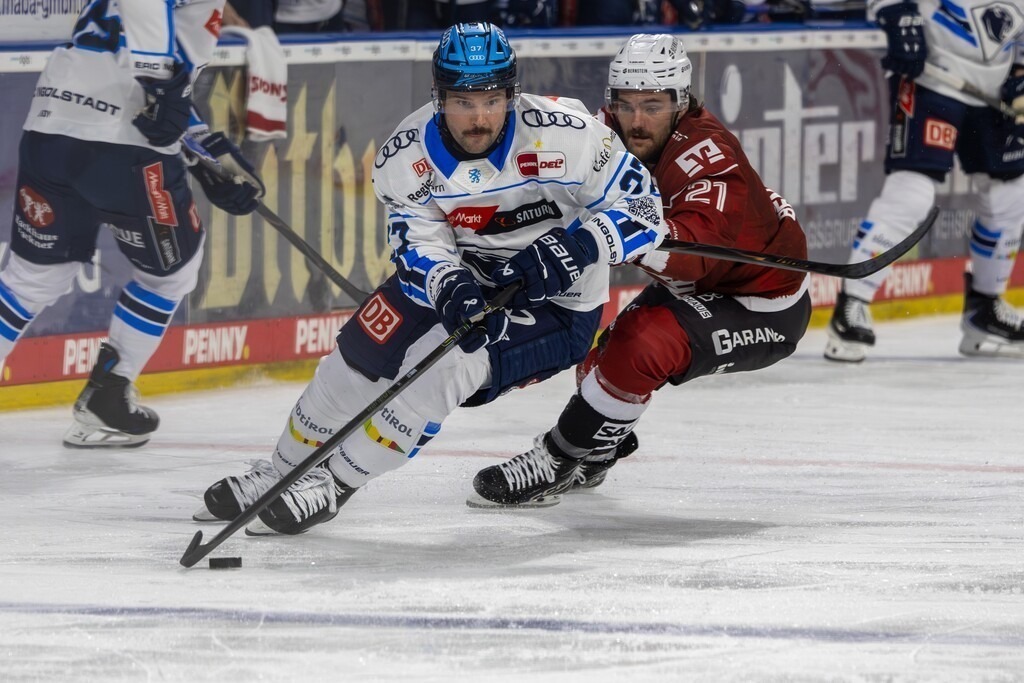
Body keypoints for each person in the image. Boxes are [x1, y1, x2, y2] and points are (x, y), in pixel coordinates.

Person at [192, 22, 665, 534]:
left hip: (558, 306)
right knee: (354, 357)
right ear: (439, 96)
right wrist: (447, 283)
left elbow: (644, 208)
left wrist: (578, 247)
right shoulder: (405, 155)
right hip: (466, 279)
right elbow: (418, 242)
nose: (479, 116)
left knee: (446, 365)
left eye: (491, 99)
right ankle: (281, 473)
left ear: (513, 93)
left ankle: (334, 485)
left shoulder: (567, 133)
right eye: (463, 101)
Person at [468, 33, 811, 507]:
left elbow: (695, 253)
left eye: (652, 105)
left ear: (681, 102)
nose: (636, 121)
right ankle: (599, 446)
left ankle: (555, 459)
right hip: (697, 286)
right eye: (625, 105)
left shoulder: (710, 159)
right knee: (596, 369)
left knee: (640, 346)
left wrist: (603, 238)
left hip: (762, 303)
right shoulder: (605, 131)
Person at [0, 0, 264, 448]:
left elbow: (150, 94)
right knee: (171, 275)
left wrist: (206, 154)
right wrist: (162, 81)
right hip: (123, 152)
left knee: (29, 280)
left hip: (49, 131)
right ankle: (108, 394)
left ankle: (107, 400)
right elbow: (153, 79)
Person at [825, 0, 1024, 362]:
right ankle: (852, 304)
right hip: (934, 79)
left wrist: (1022, 69)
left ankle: (985, 309)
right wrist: (894, 9)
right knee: (913, 190)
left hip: (996, 86)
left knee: (1010, 193)